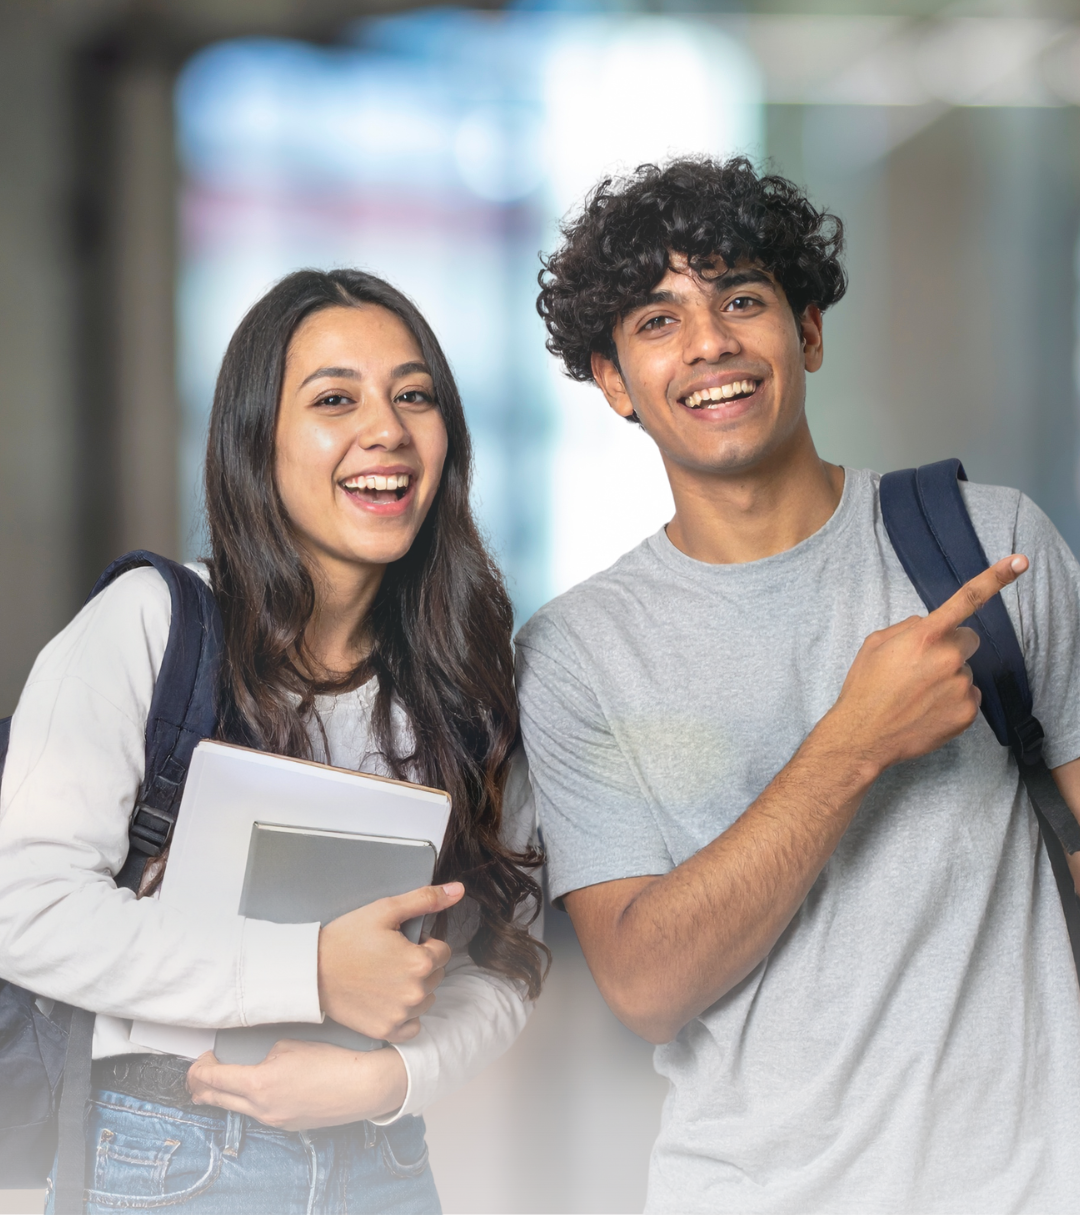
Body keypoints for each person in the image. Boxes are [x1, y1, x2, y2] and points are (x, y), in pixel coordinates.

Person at [515, 156, 1080, 1214]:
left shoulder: (988, 546)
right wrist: (854, 743)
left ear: (806, 332)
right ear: (610, 379)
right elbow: (643, 987)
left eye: (741, 299)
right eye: (656, 321)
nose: (710, 343)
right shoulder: (579, 653)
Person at [0, 269, 546, 1214]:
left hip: (385, 1163)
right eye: (335, 399)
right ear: (258, 439)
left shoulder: (467, 678)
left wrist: (392, 1081)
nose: (386, 429)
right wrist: (312, 974)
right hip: (167, 1158)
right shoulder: (153, 624)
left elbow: (506, 957)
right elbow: (25, 909)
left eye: (413, 395)